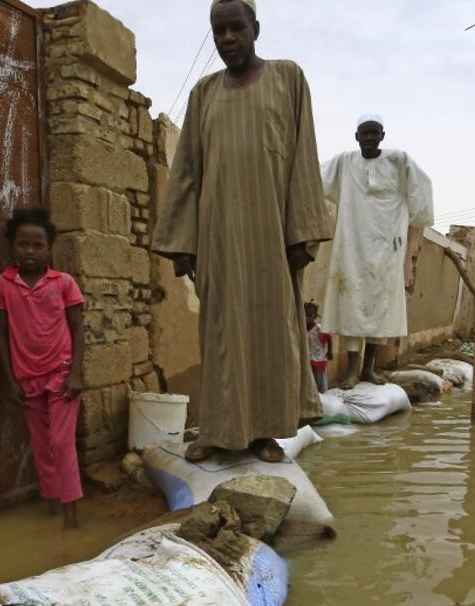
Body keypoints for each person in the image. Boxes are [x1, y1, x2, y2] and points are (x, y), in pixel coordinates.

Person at [153, 0, 331, 463]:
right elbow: (187, 171)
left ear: (256, 29)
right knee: (220, 337)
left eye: (236, 28)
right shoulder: (203, 93)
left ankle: (266, 434)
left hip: (272, 237)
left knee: (272, 334)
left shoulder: (288, 78)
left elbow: (302, 158)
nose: (227, 38)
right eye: (218, 31)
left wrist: (301, 236)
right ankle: (215, 431)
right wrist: (182, 246)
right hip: (217, 237)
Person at [321, 114, 434, 388]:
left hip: (386, 246)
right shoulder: (345, 162)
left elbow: (422, 189)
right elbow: (313, 175)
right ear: (356, 136)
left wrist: (417, 219)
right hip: (352, 245)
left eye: (374, 133)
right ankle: (350, 370)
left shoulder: (399, 160)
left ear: (383, 136)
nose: (369, 138)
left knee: (378, 307)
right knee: (351, 305)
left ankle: (368, 369)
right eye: (364, 133)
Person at [0, 207, 85, 529]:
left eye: (37, 245)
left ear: (49, 248)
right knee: (42, 446)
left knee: (61, 443)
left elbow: (78, 329)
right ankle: (51, 506)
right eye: (23, 244)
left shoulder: (63, 283)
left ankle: (71, 521)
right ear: (12, 246)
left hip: (61, 373)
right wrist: (10, 380)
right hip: (26, 377)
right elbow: (0, 334)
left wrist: (76, 372)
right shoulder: (3, 285)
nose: (30, 251)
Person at [305, 302, 332, 393]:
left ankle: (323, 397)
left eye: (309, 315)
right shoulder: (303, 328)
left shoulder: (318, 328)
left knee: (320, 381)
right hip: (309, 359)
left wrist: (330, 352)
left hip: (319, 359)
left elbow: (328, 337)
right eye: (305, 315)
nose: (306, 318)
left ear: (315, 317)